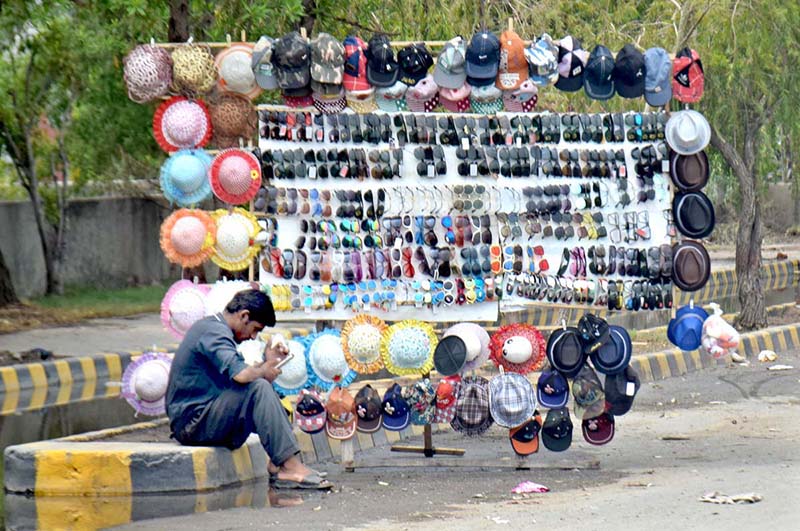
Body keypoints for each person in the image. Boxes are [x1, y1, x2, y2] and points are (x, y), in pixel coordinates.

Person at [166, 288, 332, 489]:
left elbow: (240, 381)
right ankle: (290, 466)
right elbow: (242, 375)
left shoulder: (215, 329)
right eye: (255, 329)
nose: (253, 337)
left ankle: (282, 463)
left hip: (206, 416)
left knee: (264, 390)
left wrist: (266, 363)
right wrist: (265, 369)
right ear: (244, 316)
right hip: (192, 424)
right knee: (258, 387)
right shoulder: (213, 332)